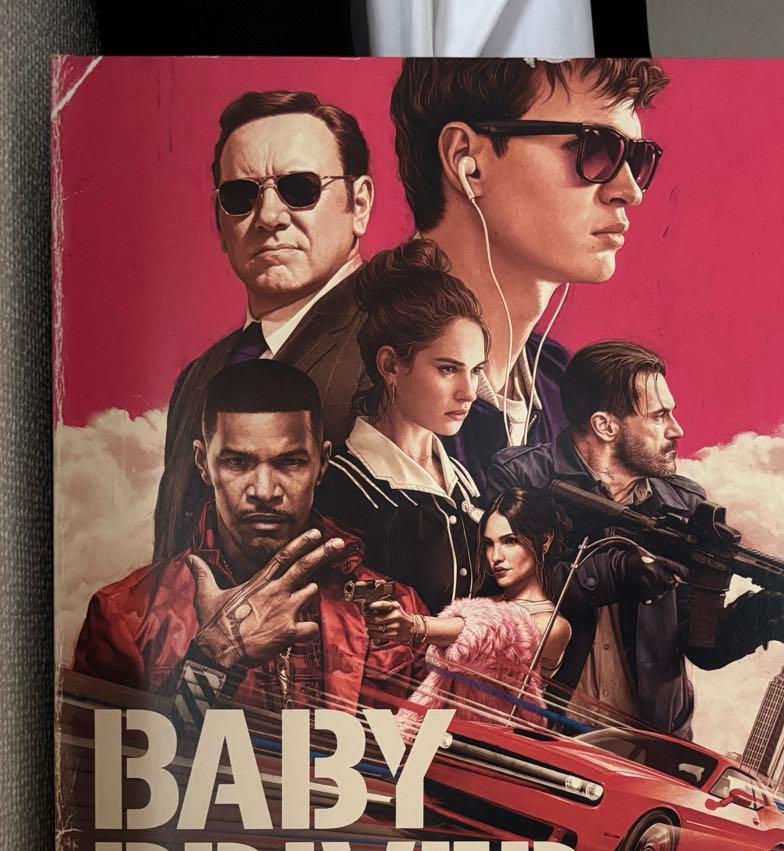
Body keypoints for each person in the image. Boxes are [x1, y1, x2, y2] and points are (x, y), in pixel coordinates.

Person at [487, 340, 784, 741]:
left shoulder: (684, 502)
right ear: (605, 426)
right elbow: (504, 593)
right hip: (537, 732)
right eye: (659, 416)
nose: (676, 429)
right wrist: (615, 572)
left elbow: (698, 645)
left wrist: (760, 619)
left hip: (647, 746)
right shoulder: (522, 477)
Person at [75, 361, 425, 715]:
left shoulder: (398, 609)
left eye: (290, 462)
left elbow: (440, 746)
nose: (264, 491)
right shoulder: (126, 618)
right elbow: (126, 749)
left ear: (321, 463)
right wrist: (214, 657)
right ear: (203, 463)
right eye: (238, 462)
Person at [389, 58, 669, 491]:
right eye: (594, 149)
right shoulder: (367, 376)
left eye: (638, 157)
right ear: (466, 160)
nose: (630, 191)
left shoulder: (562, 385)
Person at [153, 89, 375, 561]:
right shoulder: (199, 375)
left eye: (301, 188)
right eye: (240, 196)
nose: (269, 217)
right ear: (219, 221)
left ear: (359, 204)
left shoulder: (403, 349)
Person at [314, 239, 489, 615]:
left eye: (476, 370)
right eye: (448, 369)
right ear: (391, 366)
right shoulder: (343, 488)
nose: (470, 392)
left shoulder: (465, 481)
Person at [362, 488, 573, 737]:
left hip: (496, 749)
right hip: (437, 740)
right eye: (489, 544)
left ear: (545, 541)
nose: (496, 557)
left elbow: (497, 631)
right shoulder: (478, 605)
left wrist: (415, 626)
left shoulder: (553, 625)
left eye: (510, 541)